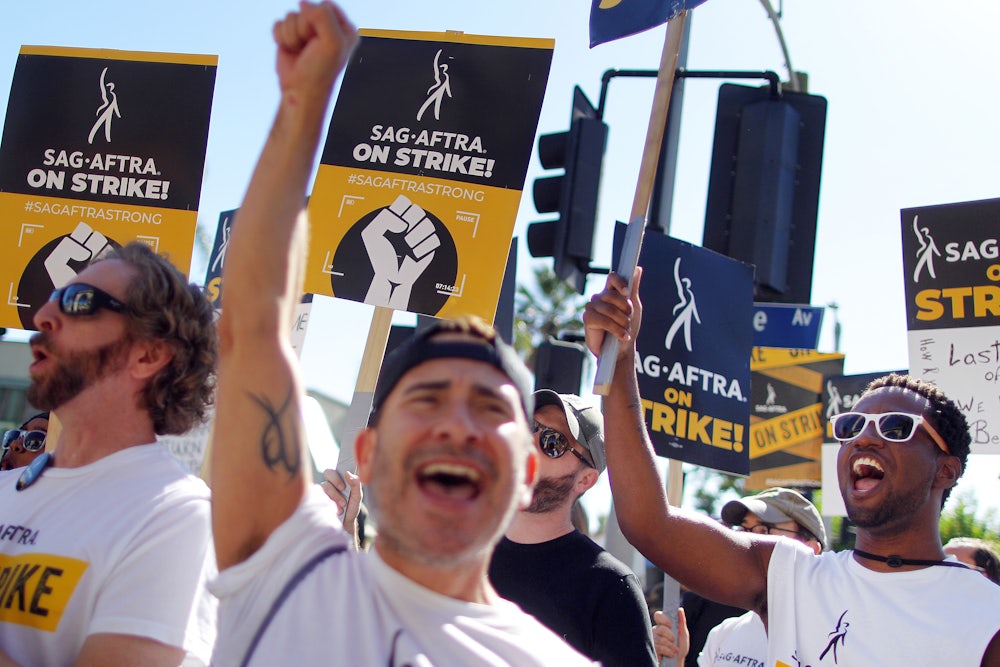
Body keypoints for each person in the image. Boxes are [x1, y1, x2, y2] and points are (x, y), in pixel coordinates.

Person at [207, 4, 592, 664]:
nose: (455, 423)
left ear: (528, 469)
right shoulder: (282, 572)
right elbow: (249, 330)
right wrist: (304, 104)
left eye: (491, 406)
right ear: (368, 446)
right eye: (426, 397)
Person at [583, 269, 1000, 666]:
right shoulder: (790, 578)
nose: (863, 439)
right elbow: (649, 524)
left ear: (946, 470)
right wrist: (621, 361)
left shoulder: (985, 617)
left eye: (895, 427)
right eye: (851, 426)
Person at [0, 242, 218, 667]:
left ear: (148, 354)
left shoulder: (177, 515)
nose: (42, 316)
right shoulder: (7, 487)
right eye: (51, 299)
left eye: (79, 302)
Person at [488, 390, 657, 666]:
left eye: (552, 442)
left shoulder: (610, 586)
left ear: (585, 480)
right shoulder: (463, 554)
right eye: (528, 427)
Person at [653, 488, 826, 666]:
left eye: (764, 530)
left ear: (810, 550)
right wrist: (675, 659)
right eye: (743, 529)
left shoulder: (834, 638)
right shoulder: (725, 633)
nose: (748, 541)